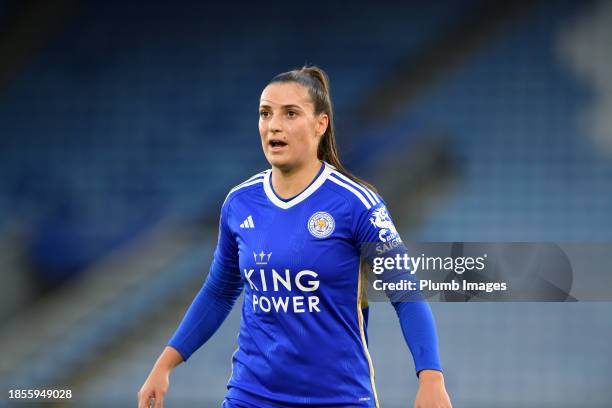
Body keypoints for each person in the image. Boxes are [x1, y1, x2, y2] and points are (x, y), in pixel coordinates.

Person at [138, 66, 452, 408]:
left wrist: (431, 377)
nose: (274, 124)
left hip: (337, 399)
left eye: (290, 114)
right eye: (265, 113)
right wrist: (165, 364)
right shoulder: (239, 203)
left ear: (321, 124)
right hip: (251, 396)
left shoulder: (356, 203)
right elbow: (219, 291)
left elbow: (406, 293)